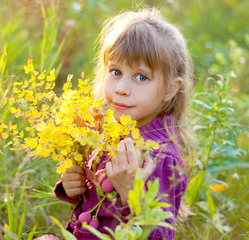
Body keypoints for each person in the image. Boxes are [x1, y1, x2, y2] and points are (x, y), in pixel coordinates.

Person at [52, 8, 193, 240]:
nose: (121, 89)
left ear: (170, 88)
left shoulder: (161, 156)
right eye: (115, 71)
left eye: (141, 77)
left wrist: (131, 192)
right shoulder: (107, 130)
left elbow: (159, 235)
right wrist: (72, 186)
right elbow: (96, 199)